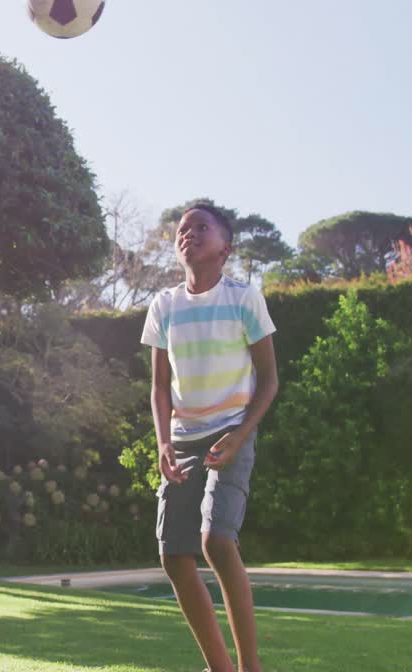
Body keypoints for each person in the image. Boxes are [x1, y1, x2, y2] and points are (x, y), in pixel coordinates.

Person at [140, 203, 279, 672]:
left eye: (202, 227)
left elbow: (269, 379)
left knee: (217, 539)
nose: (189, 234)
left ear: (226, 247)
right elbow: (159, 386)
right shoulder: (163, 306)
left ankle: (249, 667)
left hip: (230, 433)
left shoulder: (244, 299)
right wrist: (163, 443)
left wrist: (241, 435)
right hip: (180, 440)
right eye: (183, 229)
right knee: (173, 555)